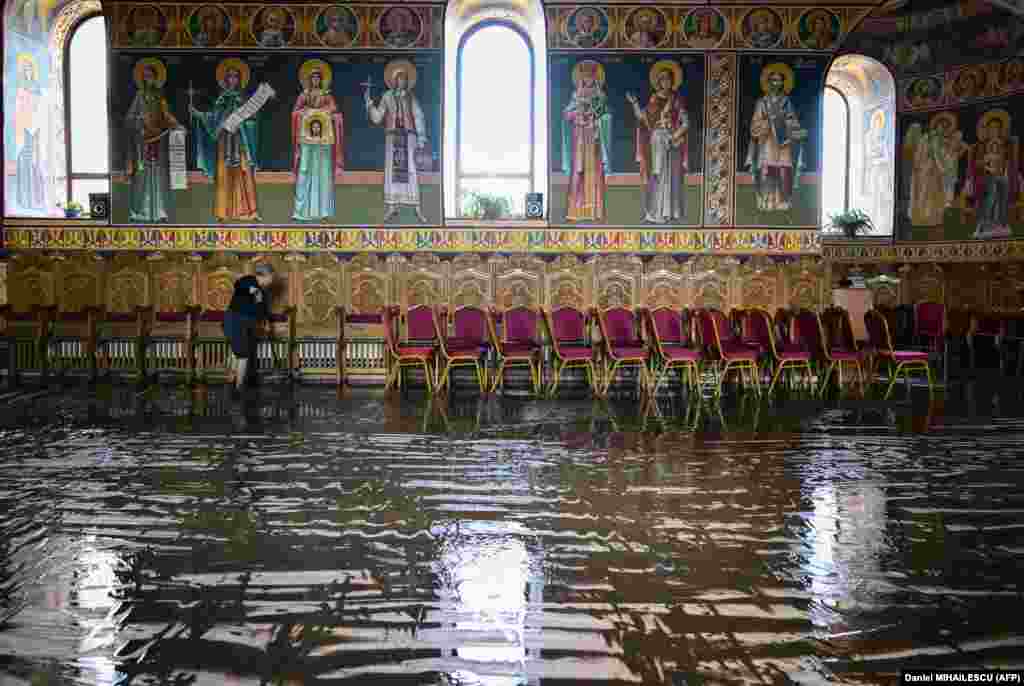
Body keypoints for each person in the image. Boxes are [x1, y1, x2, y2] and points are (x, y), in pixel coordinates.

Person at [191, 60, 264, 221]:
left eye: (236, 77)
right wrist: (201, 115)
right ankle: (223, 212)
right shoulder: (222, 99)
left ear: (239, 80)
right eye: (230, 77)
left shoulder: (243, 98)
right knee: (224, 174)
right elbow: (214, 117)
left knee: (244, 173)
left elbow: (253, 119)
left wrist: (245, 120)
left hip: (241, 140)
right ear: (225, 80)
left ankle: (250, 211)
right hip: (225, 142)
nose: (233, 80)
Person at [364, 61, 428, 222]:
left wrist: (421, 137)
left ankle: (417, 207)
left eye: (404, 79)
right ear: (394, 80)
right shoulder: (387, 96)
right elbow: (378, 117)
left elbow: (418, 115)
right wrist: (369, 104)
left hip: (409, 136)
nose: (402, 81)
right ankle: (392, 207)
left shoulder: (410, 96)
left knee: (411, 169)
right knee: (392, 171)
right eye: (399, 78)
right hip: (392, 137)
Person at [627, 64, 689, 224]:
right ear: (659, 82)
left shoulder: (676, 100)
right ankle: (654, 213)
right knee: (657, 175)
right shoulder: (654, 99)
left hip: (672, 143)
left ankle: (671, 212)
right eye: (662, 79)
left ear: (672, 81)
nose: (665, 82)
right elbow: (643, 118)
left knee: (672, 177)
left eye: (668, 79)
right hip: (657, 142)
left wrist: (674, 136)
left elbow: (686, 123)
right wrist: (634, 103)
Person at [126, 59, 184, 222]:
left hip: (158, 138)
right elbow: (129, 118)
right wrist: (139, 120)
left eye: (150, 75)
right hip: (142, 140)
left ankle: (158, 211)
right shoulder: (139, 96)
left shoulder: (160, 96)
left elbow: (166, 116)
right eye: (145, 76)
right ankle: (143, 211)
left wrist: (177, 125)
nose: (147, 78)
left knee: (157, 175)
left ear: (156, 77)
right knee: (144, 175)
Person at [745, 64, 807, 212]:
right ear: (769, 82)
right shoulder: (762, 103)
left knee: (784, 170)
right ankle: (767, 201)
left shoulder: (786, 102)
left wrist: (783, 122)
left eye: (779, 80)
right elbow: (755, 124)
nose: (776, 83)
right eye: (773, 80)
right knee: (768, 170)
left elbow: (793, 122)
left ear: (783, 83)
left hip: (783, 141)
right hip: (767, 141)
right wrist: (768, 122)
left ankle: (783, 200)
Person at [292, 61, 344, 220]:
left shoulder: (326, 94)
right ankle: (301, 211)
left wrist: (323, 111)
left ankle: (324, 211)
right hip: (307, 141)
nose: (315, 80)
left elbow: (334, 109)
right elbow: (295, 113)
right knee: (305, 171)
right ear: (309, 79)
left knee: (323, 173)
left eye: (318, 77)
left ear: (321, 79)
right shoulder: (304, 95)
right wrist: (305, 112)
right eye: (312, 77)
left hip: (323, 141)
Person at [562, 60, 612, 222]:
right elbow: (567, 114)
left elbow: (607, 116)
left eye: (590, 76)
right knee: (579, 172)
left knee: (594, 173)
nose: (587, 78)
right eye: (585, 76)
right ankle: (576, 211)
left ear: (595, 77)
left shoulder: (600, 96)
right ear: (581, 77)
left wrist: (597, 120)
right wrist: (576, 116)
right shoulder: (576, 95)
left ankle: (594, 212)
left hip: (594, 138)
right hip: (580, 138)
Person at [224, 263, 275, 391]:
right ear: (265, 275)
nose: (271, 281)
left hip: (246, 323)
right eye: (271, 278)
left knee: (240, 353)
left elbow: (262, 309)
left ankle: (234, 383)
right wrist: (254, 290)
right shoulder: (248, 280)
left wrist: (267, 322)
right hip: (235, 320)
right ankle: (238, 387)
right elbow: (239, 286)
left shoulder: (261, 292)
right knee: (242, 355)